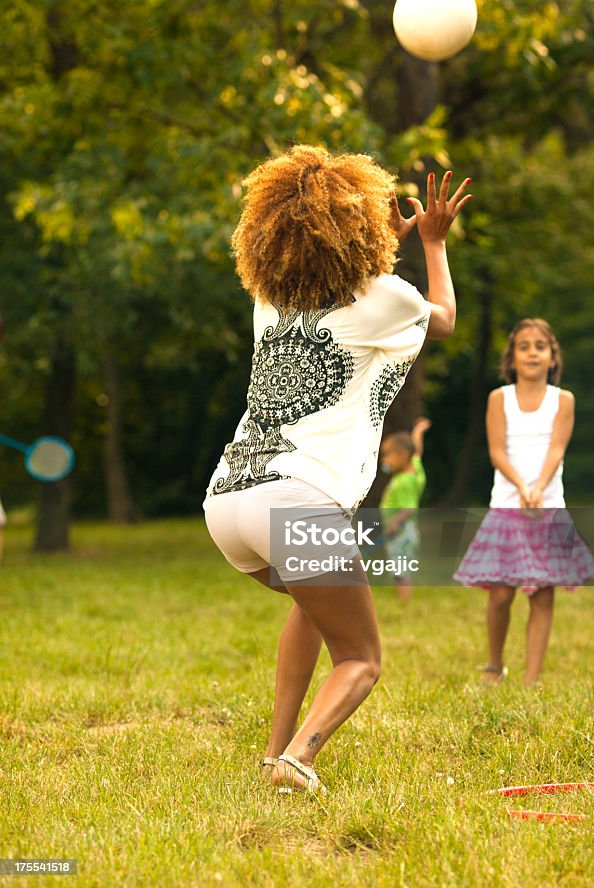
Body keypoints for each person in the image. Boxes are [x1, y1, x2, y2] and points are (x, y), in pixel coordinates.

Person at [203, 144, 471, 792]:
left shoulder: (268, 299)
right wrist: (431, 242)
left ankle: (273, 753)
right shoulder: (386, 295)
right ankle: (300, 758)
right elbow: (443, 318)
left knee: (313, 609)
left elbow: (348, 291)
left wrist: (381, 244)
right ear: (360, 231)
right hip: (297, 502)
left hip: (229, 501)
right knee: (361, 656)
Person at [453, 318, 594, 687]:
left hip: (547, 507)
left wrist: (538, 488)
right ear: (512, 357)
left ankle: (531, 680)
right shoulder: (499, 398)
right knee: (501, 593)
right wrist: (521, 486)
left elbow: (557, 448)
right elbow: (497, 452)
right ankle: (494, 664)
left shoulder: (563, 400)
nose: (532, 352)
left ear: (552, 356)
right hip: (506, 505)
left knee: (543, 595)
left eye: (540, 346)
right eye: (524, 346)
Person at [379, 417, 431, 601]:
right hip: (404, 531)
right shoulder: (414, 469)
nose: (384, 460)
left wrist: (393, 524)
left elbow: (409, 508)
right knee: (399, 565)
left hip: (401, 532)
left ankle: (404, 600)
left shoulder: (404, 482)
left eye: (387, 455)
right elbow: (417, 451)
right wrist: (418, 431)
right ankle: (402, 597)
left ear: (401, 454)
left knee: (401, 568)